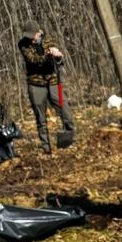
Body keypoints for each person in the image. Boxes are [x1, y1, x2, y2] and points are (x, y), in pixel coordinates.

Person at [17, 23, 76, 153]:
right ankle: (46, 147)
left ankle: (70, 139)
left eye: (33, 36)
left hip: (54, 82)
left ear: (39, 32)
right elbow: (33, 60)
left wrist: (58, 56)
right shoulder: (23, 44)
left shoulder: (50, 39)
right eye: (28, 36)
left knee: (64, 109)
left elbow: (60, 60)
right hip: (36, 84)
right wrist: (49, 54)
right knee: (41, 117)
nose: (31, 39)